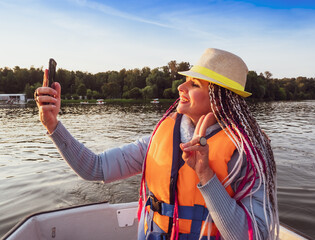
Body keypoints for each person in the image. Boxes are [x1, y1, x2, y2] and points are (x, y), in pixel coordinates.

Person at [34, 48, 279, 240]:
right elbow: (95, 168)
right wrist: (53, 125)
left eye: (194, 84)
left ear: (220, 97)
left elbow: (253, 236)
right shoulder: (162, 136)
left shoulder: (247, 155)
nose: (180, 87)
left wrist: (205, 174)